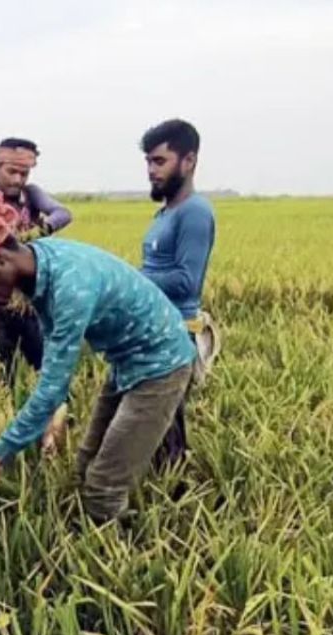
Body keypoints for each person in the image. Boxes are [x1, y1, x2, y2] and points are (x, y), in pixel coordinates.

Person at [0, 195, 196, 523]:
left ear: (0, 257)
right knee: (84, 466)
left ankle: (134, 558)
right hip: (126, 362)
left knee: (103, 488)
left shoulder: (70, 286)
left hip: (162, 364)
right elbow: (53, 360)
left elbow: (52, 386)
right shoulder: (41, 263)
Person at [138, 119, 219, 469]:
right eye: (149, 162)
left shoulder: (195, 213)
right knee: (157, 428)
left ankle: (175, 501)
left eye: (160, 161)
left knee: (164, 429)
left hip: (176, 333)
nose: (151, 171)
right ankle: (169, 493)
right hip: (154, 331)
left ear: (188, 162)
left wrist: (130, 280)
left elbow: (188, 281)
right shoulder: (165, 212)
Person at [0, 138, 73, 383]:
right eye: (12, 172)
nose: (17, 180)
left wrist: (38, 231)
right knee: (2, 375)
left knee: (47, 370)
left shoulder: (31, 195)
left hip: (32, 302)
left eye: (24, 173)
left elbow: (63, 213)